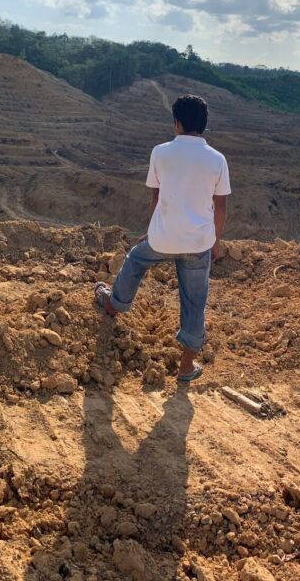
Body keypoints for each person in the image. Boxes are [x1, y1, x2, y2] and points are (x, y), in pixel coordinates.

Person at [94, 94, 230, 383]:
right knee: (194, 300)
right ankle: (186, 367)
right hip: (198, 244)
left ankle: (114, 303)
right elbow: (221, 207)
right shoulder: (217, 159)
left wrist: (152, 229)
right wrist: (214, 242)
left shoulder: (160, 152)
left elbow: (156, 198)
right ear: (203, 125)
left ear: (177, 123)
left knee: (135, 260)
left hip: (162, 238)